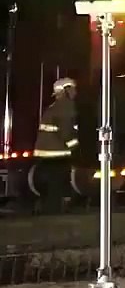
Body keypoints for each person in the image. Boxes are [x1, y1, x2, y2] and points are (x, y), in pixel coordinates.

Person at [33, 77, 79, 214]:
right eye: (72, 88)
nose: (75, 92)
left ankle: (47, 209)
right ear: (65, 91)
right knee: (57, 184)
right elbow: (66, 132)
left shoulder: (55, 106)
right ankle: (53, 212)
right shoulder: (66, 105)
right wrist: (75, 148)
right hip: (57, 154)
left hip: (46, 154)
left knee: (51, 185)